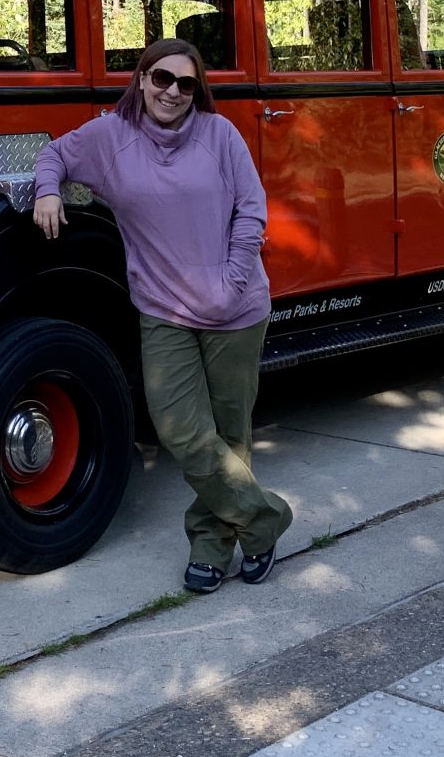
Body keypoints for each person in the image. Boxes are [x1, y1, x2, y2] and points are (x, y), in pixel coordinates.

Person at [32, 37, 293, 593]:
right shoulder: (109, 136)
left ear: (198, 90)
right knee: (181, 429)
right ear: (142, 79)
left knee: (229, 435)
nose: (172, 92)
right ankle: (265, 520)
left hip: (238, 308)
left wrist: (230, 283)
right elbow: (53, 153)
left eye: (186, 83)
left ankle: (209, 544)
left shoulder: (219, 135)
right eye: (162, 79)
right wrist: (47, 192)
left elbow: (252, 211)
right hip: (162, 309)